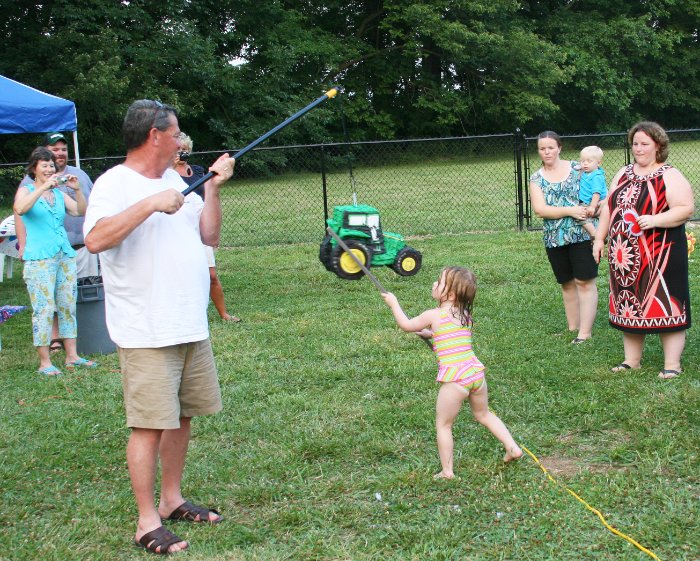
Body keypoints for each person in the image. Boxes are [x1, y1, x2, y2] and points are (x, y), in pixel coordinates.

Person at [84, 100, 235, 554]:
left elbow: (208, 237)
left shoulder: (175, 179)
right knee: (149, 425)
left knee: (182, 416)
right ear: (155, 136)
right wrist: (150, 204)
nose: (180, 141)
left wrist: (212, 188)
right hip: (146, 329)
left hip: (189, 322)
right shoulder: (116, 184)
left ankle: (171, 499)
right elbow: (95, 239)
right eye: (176, 134)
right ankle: (146, 521)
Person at [382, 266, 522, 480]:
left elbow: (406, 325)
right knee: (483, 414)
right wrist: (431, 333)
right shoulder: (464, 314)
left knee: (444, 424)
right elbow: (449, 333)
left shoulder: (434, 314)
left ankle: (447, 471)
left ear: (449, 294)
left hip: (455, 381)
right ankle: (512, 447)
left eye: (439, 282)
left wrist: (394, 304)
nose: (434, 284)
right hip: (475, 375)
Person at [593, 121, 694, 379]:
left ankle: (672, 364)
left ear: (658, 146)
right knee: (629, 303)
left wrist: (654, 220)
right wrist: (599, 239)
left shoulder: (669, 174)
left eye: (644, 144)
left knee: (664, 305)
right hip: (624, 257)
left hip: (661, 255)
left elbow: (685, 209)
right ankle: (632, 360)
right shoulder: (623, 173)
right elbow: (608, 208)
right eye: (635, 143)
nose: (638, 148)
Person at [13, 147, 95, 375]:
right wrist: (42, 188)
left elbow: (80, 211)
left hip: (63, 253)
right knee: (44, 308)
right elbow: (20, 209)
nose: (50, 169)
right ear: (34, 169)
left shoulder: (59, 193)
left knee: (67, 304)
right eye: (45, 165)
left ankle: (72, 356)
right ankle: (45, 362)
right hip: (39, 257)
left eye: (51, 165)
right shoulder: (27, 190)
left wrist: (77, 191)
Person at [529, 131, 598, 344]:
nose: (547, 151)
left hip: (582, 234)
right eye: (542, 148)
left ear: (559, 147)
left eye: (551, 147)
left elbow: (598, 188)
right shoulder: (536, 178)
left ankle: (584, 333)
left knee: (584, 281)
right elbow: (540, 210)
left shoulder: (579, 168)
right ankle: (573, 327)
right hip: (554, 238)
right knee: (567, 283)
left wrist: (595, 207)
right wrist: (570, 210)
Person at [173, 133, 240, 322]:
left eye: (184, 150)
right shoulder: (167, 174)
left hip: (201, 223)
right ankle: (190, 313)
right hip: (180, 225)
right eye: (178, 150)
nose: (182, 154)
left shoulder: (197, 171)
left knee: (211, 274)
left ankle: (223, 313)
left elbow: (207, 196)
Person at [575, 145, 607, 238]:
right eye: (583, 161)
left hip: (592, 203)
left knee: (579, 216)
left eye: (589, 161)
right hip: (588, 202)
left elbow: (596, 193)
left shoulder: (596, 176)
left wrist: (592, 207)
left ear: (598, 163)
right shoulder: (587, 172)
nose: (585, 164)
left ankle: (595, 234)